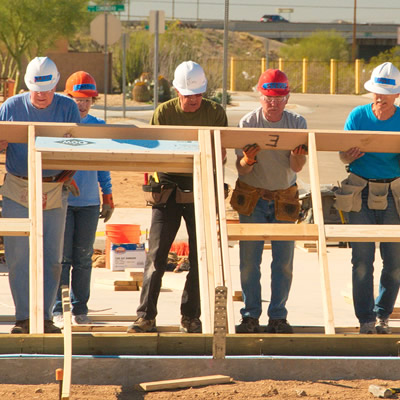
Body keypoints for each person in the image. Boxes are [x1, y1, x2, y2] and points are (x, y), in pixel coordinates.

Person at [127, 61, 228, 333]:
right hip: (168, 186)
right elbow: (157, 153)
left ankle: (190, 316)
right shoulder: (164, 112)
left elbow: (221, 153)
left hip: (201, 183)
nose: (193, 100)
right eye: (188, 95)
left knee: (200, 257)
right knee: (157, 257)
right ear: (176, 91)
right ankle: (145, 316)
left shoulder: (215, 112)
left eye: (198, 95)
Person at [0, 57, 81, 333]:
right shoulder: (10, 107)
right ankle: (24, 317)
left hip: (54, 187)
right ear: (28, 87)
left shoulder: (68, 107)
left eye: (47, 91)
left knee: (52, 257)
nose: (42, 96)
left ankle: (45, 317)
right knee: (18, 255)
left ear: (55, 85)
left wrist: (70, 170)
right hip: (17, 186)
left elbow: (78, 146)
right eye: (37, 91)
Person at [232, 69, 307, 334]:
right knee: (249, 261)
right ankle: (250, 315)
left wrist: (297, 155)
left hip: (283, 197)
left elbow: (297, 167)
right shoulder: (248, 123)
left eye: (279, 98)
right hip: (252, 196)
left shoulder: (297, 124)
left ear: (287, 97)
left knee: (283, 262)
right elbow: (241, 170)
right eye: (268, 98)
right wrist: (248, 160)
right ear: (260, 96)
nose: (273, 103)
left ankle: (278, 316)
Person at [337, 62, 400, 334]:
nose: (379, 99)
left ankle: (382, 314)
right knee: (362, 260)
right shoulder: (358, 116)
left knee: (395, 261)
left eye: (384, 95)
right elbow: (341, 155)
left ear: (396, 95)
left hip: (394, 195)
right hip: (360, 192)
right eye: (376, 93)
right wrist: (347, 155)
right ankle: (365, 318)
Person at [52, 71, 114, 328]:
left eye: (88, 99)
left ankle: (80, 308)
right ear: (68, 98)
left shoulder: (97, 127)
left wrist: (107, 194)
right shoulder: (59, 125)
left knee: (83, 258)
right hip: (63, 201)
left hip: (88, 203)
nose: (83, 104)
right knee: (61, 257)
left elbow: (103, 164)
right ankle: (58, 307)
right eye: (78, 99)